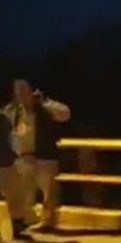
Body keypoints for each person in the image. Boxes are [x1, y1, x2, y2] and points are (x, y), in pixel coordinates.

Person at [3, 80, 71, 233]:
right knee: (23, 192)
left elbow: (65, 114)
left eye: (25, 91)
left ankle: (48, 222)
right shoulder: (13, 111)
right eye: (19, 92)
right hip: (22, 157)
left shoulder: (45, 108)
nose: (22, 95)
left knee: (49, 191)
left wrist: (45, 102)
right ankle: (27, 220)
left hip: (44, 155)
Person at [0, 111, 19, 240]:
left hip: (5, 162)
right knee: (13, 198)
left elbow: (12, 139)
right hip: (6, 162)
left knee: (13, 198)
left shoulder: (4, 119)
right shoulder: (5, 118)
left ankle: (16, 227)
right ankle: (16, 227)